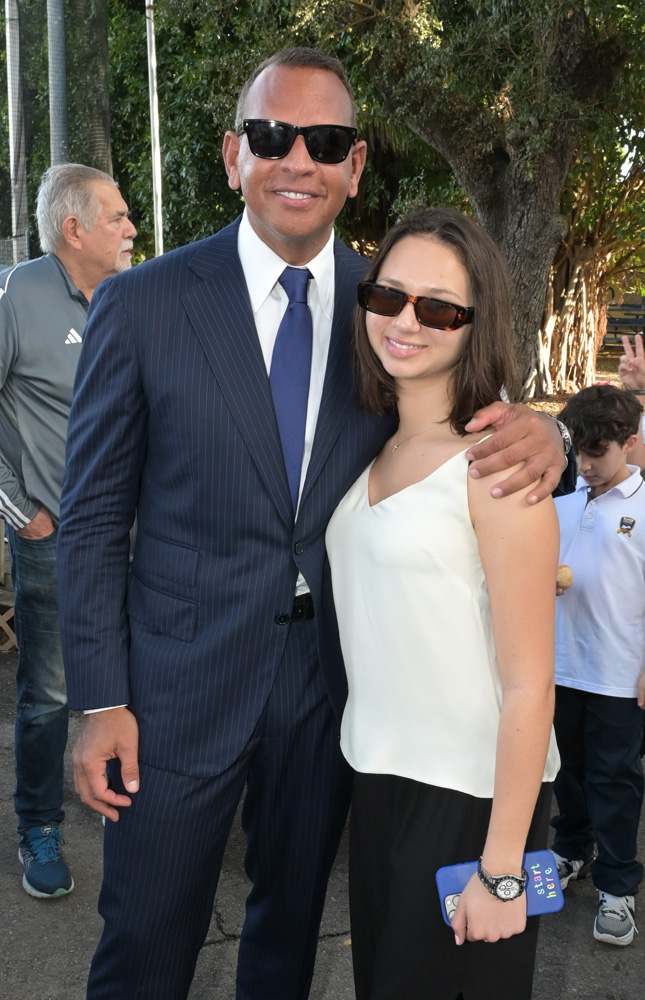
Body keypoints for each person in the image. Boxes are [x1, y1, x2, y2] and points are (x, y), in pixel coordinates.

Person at [57, 48, 566, 1000]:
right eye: (270, 136)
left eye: (324, 141)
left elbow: (480, 427)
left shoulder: (393, 305)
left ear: (356, 164)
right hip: (173, 694)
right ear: (231, 155)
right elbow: (89, 520)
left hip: (327, 700)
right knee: (144, 942)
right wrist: (98, 699)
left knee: (287, 939)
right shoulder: (144, 303)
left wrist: (554, 436)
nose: (298, 159)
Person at [326, 207, 560, 1000]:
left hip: (475, 800)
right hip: (379, 782)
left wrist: (501, 874)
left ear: (474, 324)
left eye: (438, 307)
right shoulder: (377, 443)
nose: (405, 321)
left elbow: (531, 684)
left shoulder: (497, 467)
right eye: (388, 296)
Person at [0, 163, 136, 899]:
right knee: (50, 692)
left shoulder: (130, 293)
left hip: (136, 536)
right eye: (117, 216)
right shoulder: (17, 294)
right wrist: (22, 510)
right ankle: (38, 825)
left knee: (132, 677)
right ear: (72, 228)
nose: (131, 228)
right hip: (52, 535)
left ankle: (124, 798)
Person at [549, 384, 645, 947]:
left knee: (615, 778)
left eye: (598, 453)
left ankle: (617, 884)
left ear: (630, 444)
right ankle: (571, 848)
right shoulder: (562, 505)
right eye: (578, 454)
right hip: (560, 669)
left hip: (616, 674)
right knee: (567, 770)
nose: (584, 466)